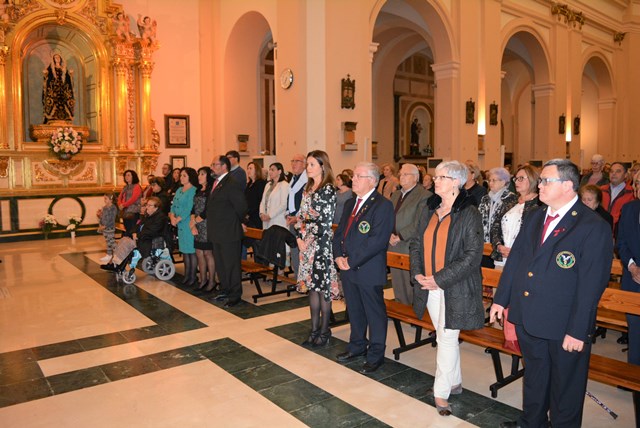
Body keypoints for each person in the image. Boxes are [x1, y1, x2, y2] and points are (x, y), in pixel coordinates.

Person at [490, 159, 613, 428]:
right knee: (535, 377)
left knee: (565, 388)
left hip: (564, 324)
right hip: (529, 317)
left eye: (546, 180)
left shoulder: (592, 226)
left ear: (568, 186)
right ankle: (531, 422)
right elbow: (518, 261)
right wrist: (500, 300)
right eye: (541, 180)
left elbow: (591, 286)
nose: (540, 185)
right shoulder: (535, 216)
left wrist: (578, 330)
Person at [409, 160, 484, 417]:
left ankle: (441, 392)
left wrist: (439, 279)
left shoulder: (468, 212)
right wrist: (418, 273)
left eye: (441, 177)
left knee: (448, 337)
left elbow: (472, 256)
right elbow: (417, 243)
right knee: (444, 336)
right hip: (428, 283)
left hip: (455, 286)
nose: (434, 180)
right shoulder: (429, 208)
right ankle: (455, 381)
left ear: (456, 182)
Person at [333, 162, 394, 374]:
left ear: (372, 180)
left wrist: (351, 260)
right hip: (348, 267)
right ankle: (357, 345)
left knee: (374, 313)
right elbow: (340, 233)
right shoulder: (351, 203)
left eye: (359, 176)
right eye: (355, 176)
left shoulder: (382, 205)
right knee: (355, 310)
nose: (354, 179)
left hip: (367, 268)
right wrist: (338, 256)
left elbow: (377, 241)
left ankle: (376, 354)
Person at [296, 150, 340, 348]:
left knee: (322, 289)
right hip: (306, 244)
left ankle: (324, 331)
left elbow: (325, 221)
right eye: (307, 164)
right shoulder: (308, 188)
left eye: (312, 164)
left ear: (323, 166)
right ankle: (313, 330)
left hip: (321, 245)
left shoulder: (328, 189)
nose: (308, 167)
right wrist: (299, 238)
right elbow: (301, 216)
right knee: (312, 288)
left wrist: (309, 240)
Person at [206, 155, 248, 308]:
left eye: (214, 164)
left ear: (224, 166)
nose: (212, 167)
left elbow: (241, 206)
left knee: (231, 265)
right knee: (221, 265)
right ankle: (225, 289)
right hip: (217, 231)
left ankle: (235, 295)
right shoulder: (217, 183)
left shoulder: (231, 183)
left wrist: (238, 222)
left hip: (229, 231)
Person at [616, 169, 640, 425]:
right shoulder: (630, 210)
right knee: (635, 328)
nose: (639, 186)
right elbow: (621, 242)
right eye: (637, 182)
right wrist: (632, 266)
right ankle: (633, 376)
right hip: (633, 279)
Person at [389, 163, 431, 305]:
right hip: (392, 243)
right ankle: (401, 307)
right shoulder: (395, 194)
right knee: (397, 280)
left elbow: (419, 222)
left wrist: (400, 236)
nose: (401, 176)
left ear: (415, 177)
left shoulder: (424, 195)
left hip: (409, 244)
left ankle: (415, 311)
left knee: (410, 282)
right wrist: (389, 234)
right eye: (401, 174)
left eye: (406, 174)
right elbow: (387, 216)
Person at [491, 165, 542, 266]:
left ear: (533, 179)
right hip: (502, 258)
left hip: (524, 261)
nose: (516, 182)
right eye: (515, 178)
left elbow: (536, 236)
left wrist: (516, 251)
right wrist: (498, 245)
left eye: (521, 178)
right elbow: (495, 226)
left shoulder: (540, 205)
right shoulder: (510, 201)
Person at [478, 167, 517, 267]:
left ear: (503, 182)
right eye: (489, 180)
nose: (490, 183)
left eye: (494, 180)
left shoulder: (511, 198)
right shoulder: (485, 198)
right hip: (484, 242)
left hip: (500, 243)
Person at [169, 167, 198, 287]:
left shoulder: (193, 190)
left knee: (191, 251)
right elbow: (173, 205)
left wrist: (178, 218)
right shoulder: (180, 189)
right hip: (179, 223)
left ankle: (193, 276)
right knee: (185, 251)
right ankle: (187, 275)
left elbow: (189, 208)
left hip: (187, 223)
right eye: (181, 175)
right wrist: (172, 217)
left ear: (190, 177)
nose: (181, 178)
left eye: (184, 176)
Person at [191, 167, 216, 291]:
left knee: (207, 253)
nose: (199, 176)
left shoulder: (211, 190)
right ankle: (202, 280)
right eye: (198, 174)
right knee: (198, 252)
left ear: (208, 176)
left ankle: (212, 281)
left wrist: (195, 221)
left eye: (202, 174)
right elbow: (193, 208)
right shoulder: (198, 190)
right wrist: (193, 223)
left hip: (207, 224)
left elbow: (208, 210)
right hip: (197, 224)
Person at [286, 154, 308, 277]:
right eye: (292, 160)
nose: (293, 163)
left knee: (302, 250)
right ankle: (297, 275)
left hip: (302, 221)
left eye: (297, 161)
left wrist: (297, 216)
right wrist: (288, 213)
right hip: (292, 219)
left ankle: (303, 278)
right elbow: (290, 197)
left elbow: (305, 202)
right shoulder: (294, 178)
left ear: (304, 164)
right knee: (294, 249)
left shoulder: (307, 180)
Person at [600, 161, 635, 235]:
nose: (614, 173)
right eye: (611, 171)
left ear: (625, 175)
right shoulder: (601, 190)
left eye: (618, 171)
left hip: (620, 232)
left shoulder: (632, 193)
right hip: (600, 230)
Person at [42, 52, 74, 123]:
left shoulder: (64, 69)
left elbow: (68, 80)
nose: (57, 59)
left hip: (63, 90)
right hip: (54, 90)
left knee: (64, 101)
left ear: (61, 59)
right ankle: (52, 119)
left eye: (58, 57)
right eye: (56, 57)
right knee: (53, 101)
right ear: (53, 59)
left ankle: (65, 118)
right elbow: (47, 77)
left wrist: (71, 75)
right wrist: (45, 74)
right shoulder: (51, 68)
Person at [243, 161, 267, 255]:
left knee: (258, 243)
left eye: (251, 168)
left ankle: (260, 264)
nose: (248, 170)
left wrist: (249, 213)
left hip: (256, 217)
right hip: (248, 217)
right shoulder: (248, 185)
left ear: (256, 170)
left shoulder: (260, 184)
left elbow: (260, 201)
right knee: (252, 242)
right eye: (247, 168)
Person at [259, 162, 290, 229]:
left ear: (279, 171)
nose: (270, 172)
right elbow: (263, 201)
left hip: (278, 220)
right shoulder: (268, 185)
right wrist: (261, 213)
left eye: (272, 170)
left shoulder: (284, 185)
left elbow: (283, 204)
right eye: (269, 170)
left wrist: (270, 215)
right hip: (266, 219)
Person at [118, 170, 142, 237]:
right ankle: (128, 245)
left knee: (132, 229)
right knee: (127, 229)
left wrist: (123, 205)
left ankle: (133, 245)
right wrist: (119, 204)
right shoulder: (125, 187)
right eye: (125, 175)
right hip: (125, 211)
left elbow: (133, 199)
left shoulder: (136, 186)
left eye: (128, 175)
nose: (126, 177)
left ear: (133, 176)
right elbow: (120, 197)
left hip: (133, 211)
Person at [97, 193, 118, 263]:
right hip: (104, 228)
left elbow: (111, 219)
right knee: (108, 242)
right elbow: (102, 217)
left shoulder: (113, 208)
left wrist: (105, 226)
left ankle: (117, 255)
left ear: (111, 200)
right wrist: (100, 219)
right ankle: (109, 255)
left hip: (110, 228)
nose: (104, 200)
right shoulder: (105, 207)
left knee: (112, 241)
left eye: (106, 198)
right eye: (104, 198)